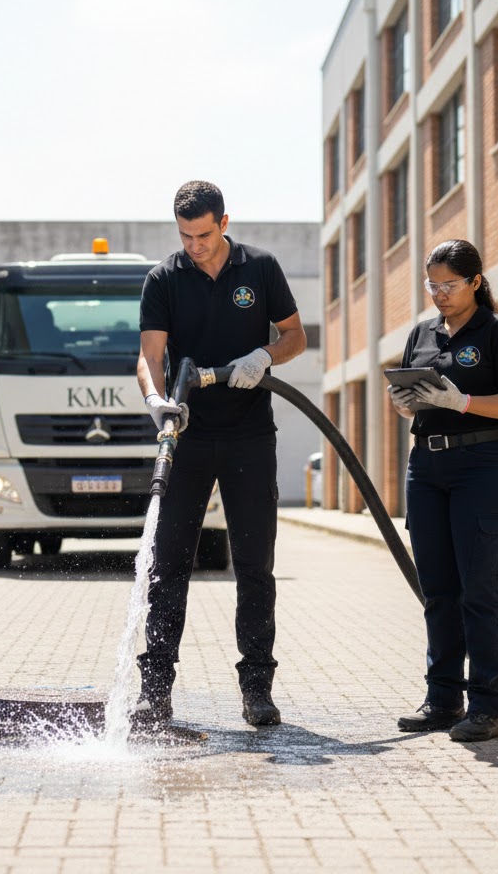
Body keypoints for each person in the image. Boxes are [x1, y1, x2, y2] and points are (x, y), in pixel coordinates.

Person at [136, 180, 306, 728]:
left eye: (204, 235)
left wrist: (264, 353)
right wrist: (157, 401)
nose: (195, 246)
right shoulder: (164, 277)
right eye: (186, 236)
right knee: (168, 568)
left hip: (249, 438)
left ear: (224, 223)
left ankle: (257, 689)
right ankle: (155, 690)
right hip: (185, 436)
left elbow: (296, 336)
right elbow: (149, 356)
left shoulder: (261, 269)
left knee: (255, 567)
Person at [388, 239, 498, 743]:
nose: (440, 294)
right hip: (427, 465)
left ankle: (486, 707)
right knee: (438, 592)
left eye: (449, 284)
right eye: (433, 285)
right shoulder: (422, 333)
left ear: (474, 281)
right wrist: (408, 402)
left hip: (481, 465)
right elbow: (413, 396)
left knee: (479, 591)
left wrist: (462, 400)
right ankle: (442, 699)